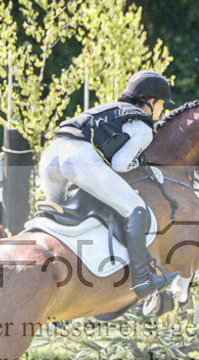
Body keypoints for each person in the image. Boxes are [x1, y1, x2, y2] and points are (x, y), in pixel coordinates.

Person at [39, 69, 179, 299]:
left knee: (56, 218)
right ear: (151, 101)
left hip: (51, 155)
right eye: (162, 104)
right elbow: (120, 165)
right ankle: (143, 280)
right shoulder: (142, 126)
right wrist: (140, 163)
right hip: (78, 159)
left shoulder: (111, 109)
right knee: (135, 207)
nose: (162, 110)